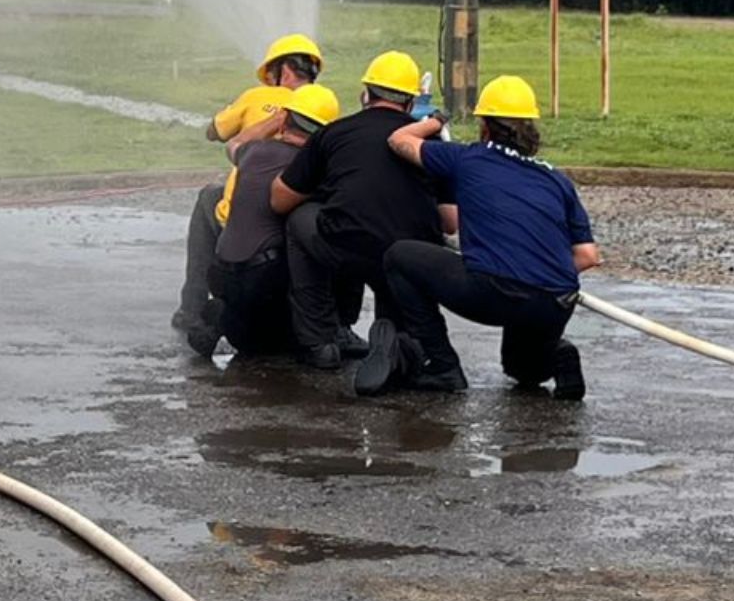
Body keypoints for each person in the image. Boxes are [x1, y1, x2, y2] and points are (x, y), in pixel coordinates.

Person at [379, 75, 600, 400]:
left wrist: (436, 121)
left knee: (399, 257)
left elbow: (399, 140)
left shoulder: (468, 158)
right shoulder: (557, 179)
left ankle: (441, 365)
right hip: (554, 301)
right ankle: (555, 357)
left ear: (484, 126)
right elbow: (587, 256)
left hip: (494, 291)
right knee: (522, 371)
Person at [271, 50, 457, 382]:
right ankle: (400, 340)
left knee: (303, 219)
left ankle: (321, 339)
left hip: (348, 246)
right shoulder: (430, 142)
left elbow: (280, 200)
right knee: (399, 242)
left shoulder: (334, 133)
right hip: (409, 257)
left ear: (365, 94)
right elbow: (449, 222)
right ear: (411, 104)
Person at [173, 33, 322, 338]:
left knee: (209, 197)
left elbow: (214, 131)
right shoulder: (323, 106)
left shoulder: (255, 97)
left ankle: (192, 308)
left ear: (280, 70)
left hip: (243, 229)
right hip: (292, 225)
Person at [190, 84, 341, 359]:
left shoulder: (254, 153)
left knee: (251, 339)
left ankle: (225, 314)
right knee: (317, 227)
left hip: (223, 273)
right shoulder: (313, 169)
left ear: (286, 119)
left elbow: (234, 144)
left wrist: (273, 121)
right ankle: (325, 331)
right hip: (264, 282)